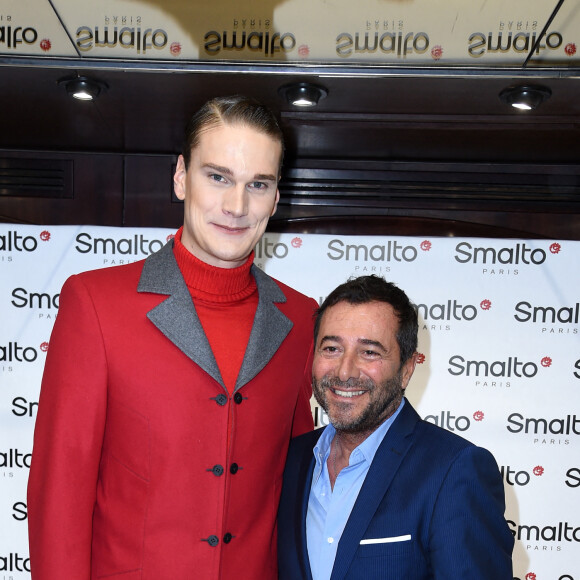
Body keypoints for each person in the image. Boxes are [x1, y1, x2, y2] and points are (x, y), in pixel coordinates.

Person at [27, 95, 317, 580]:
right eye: (218, 176)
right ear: (181, 177)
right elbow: (60, 491)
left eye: (258, 184)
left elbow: (296, 490)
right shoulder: (96, 303)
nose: (236, 206)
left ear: (276, 197)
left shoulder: (303, 318)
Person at [278, 275, 514, 580]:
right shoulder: (291, 460)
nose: (345, 371)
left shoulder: (455, 471)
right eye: (332, 348)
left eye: (370, 352)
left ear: (406, 369)